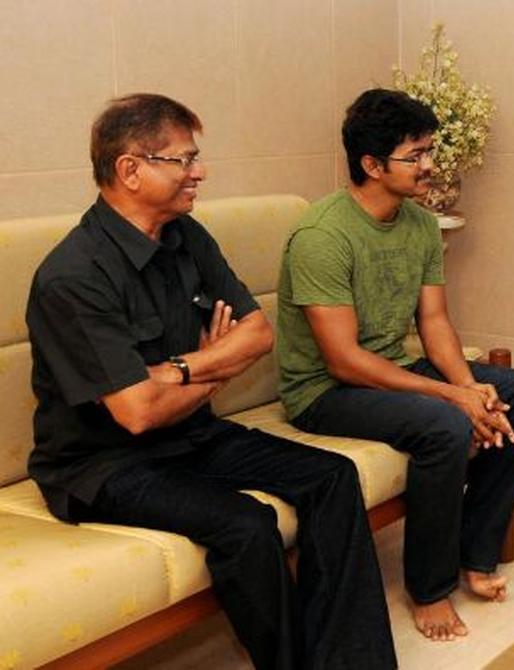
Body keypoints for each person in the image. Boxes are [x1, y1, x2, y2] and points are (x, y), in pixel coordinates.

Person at [25, 93, 396, 669]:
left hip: (191, 437)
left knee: (333, 477)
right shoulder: (73, 277)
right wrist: (207, 365)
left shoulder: (186, 237)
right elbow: (137, 413)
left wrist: (181, 372)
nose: (199, 172)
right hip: (104, 465)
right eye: (183, 160)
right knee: (248, 524)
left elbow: (257, 334)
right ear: (130, 169)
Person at [275, 89, 514, 642]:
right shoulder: (322, 236)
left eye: (429, 151)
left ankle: (476, 553)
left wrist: (471, 386)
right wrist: (452, 399)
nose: (429, 166)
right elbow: (344, 360)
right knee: (445, 424)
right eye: (415, 155)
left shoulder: (421, 225)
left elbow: (435, 323)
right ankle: (428, 589)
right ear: (372, 165)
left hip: (393, 370)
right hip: (326, 392)